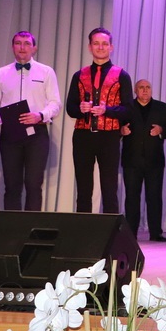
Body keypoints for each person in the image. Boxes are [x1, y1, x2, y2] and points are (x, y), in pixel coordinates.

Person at [0, 31, 62, 212]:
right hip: (10, 134)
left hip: (37, 133)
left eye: (27, 43)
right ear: (13, 47)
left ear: (34, 48)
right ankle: (12, 228)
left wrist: (40, 115)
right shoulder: (1, 73)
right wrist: (1, 118)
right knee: (12, 185)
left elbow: (55, 103)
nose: (22, 47)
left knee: (34, 185)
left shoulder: (46, 72)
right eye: (18, 43)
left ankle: (31, 226)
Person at [65, 27, 133, 213]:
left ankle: (111, 229)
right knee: (83, 189)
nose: (100, 47)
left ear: (111, 47)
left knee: (109, 189)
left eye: (104, 44)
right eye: (96, 43)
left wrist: (107, 110)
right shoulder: (79, 75)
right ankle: (83, 227)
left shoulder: (122, 75)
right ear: (90, 47)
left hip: (109, 137)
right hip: (83, 136)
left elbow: (129, 110)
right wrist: (80, 109)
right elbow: (70, 108)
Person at [120, 80, 166, 241]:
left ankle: (155, 232)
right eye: (141, 88)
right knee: (132, 197)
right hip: (132, 160)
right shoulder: (125, 108)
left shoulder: (163, 108)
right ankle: (131, 233)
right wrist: (121, 130)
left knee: (154, 197)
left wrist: (161, 130)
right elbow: (114, 127)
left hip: (154, 161)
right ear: (135, 90)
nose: (145, 90)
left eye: (148, 87)